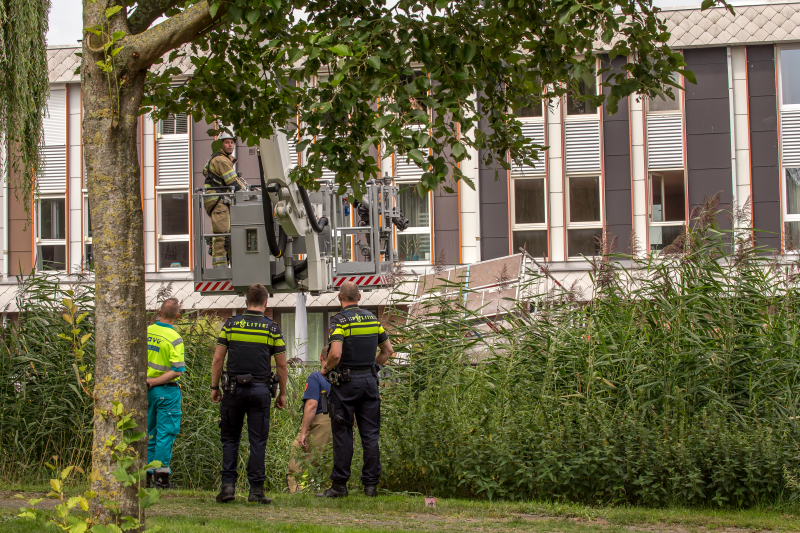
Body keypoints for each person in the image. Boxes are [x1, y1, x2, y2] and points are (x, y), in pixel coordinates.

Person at [211, 283, 287, 504]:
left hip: (233, 390)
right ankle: (255, 491)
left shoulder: (231, 325)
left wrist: (215, 387)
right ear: (266, 302)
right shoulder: (272, 328)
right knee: (258, 441)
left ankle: (227, 488)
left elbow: (218, 359)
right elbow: (281, 366)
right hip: (260, 391)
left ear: (246, 302)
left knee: (230, 439)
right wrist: (282, 392)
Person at [317, 282, 394, 498]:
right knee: (370, 434)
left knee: (343, 432)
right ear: (359, 297)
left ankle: (340, 485)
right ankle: (370, 486)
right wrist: (373, 366)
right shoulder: (372, 319)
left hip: (345, 384)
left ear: (339, 298)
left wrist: (325, 369)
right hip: (369, 382)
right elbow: (388, 351)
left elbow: (335, 355)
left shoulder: (339, 320)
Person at [145, 297, 186, 489]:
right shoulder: (175, 338)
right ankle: (160, 477)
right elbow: (177, 370)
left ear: (159, 313)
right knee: (165, 433)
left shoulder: (145, 331)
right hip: (165, 391)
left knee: (150, 433)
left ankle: (146, 473)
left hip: (145, 391)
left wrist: (148, 382)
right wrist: (155, 381)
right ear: (177, 316)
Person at [286, 347, 333, 493]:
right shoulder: (343, 378)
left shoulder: (316, 378)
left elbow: (312, 405)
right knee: (329, 463)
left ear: (321, 358)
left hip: (320, 423)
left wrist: (304, 433)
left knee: (298, 460)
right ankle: (329, 491)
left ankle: (299, 491)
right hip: (339, 423)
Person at [202, 131, 247, 268]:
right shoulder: (221, 160)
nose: (230, 145)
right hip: (218, 200)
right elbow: (232, 183)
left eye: (232, 142)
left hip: (220, 199)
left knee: (230, 233)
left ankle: (232, 266)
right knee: (222, 234)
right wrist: (247, 191)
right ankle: (220, 269)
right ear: (221, 144)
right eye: (227, 142)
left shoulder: (222, 159)